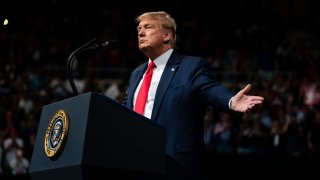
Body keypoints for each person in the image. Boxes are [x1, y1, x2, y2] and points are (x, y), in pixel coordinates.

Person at [122, 11, 264, 180]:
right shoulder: (137, 74)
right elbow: (125, 112)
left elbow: (209, 88)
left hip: (174, 165)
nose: (140, 32)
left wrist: (230, 100)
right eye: (139, 28)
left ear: (167, 35)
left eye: (148, 27)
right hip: (136, 163)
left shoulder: (190, 66)